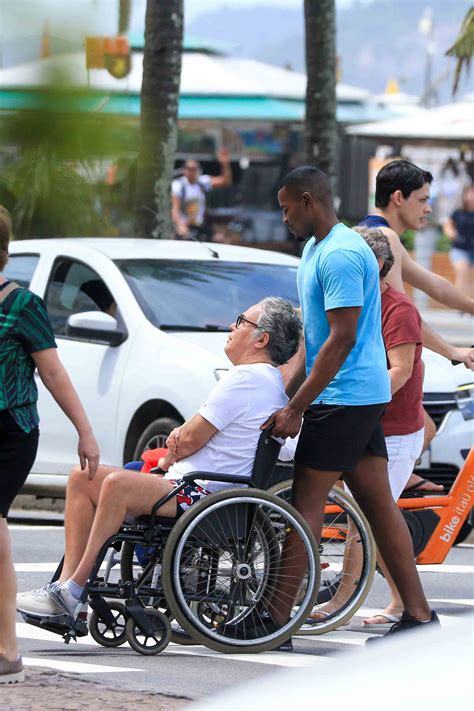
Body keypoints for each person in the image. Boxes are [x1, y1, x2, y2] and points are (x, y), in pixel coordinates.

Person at [16, 297, 301, 623]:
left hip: (204, 492)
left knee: (117, 483)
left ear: (261, 339)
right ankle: (67, 590)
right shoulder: (268, 383)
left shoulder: (245, 379)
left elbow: (191, 438)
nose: (231, 327)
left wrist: (178, 442)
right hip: (203, 485)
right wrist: (179, 442)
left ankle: (75, 588)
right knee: (83, 477)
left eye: (240, 322)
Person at [258, 166, 438, 644]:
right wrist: (284, 392)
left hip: (343, 398)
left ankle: (274, 621)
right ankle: (419, 616)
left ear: (307, 200)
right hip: (356, 395)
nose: (284, 218)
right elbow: (316, 342)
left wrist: (298, 405)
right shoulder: (316, 249)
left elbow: (341, 339)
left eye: (286, 208)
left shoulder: (339, 253)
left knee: (305, 505)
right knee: (379, 505)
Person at [0, 206, 99, 684]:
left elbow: (53, 372)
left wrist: (85, 431)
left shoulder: (22, 305)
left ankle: (8, 649)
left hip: (9, 433)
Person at [308, 226, 426, 625]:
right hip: (367, 412)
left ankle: (339, 604)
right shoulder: (356, 298)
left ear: (373, 265)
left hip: (378, 417)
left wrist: (361, 406)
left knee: (350, 514)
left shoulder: (397, 309)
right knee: (371, 512)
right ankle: (413, 611)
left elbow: (402, 370)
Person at [360, 160, 474, 493]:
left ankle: (394, 481)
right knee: (419, 432)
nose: (428, 209)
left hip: (379, 369)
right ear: (398, 197)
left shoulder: (377, 233)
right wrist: (452, 350)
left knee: (424, 430)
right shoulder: (384, 237)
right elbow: (401, 314)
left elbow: (435, 285)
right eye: (422, 200)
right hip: (390, 371)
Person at [171, 148, 232, 239]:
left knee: (220, 239)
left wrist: (225, 163)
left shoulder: (202, 182)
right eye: (189, 169)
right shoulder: (179, 185)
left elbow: (225, 181)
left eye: (194, 169)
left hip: (200, 224)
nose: (192, 172)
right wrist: (180, 225)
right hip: (185, 226)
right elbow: (175, 208)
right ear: (184, 170)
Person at [443, 183, 474, 301]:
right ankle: (460, 303)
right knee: (463, 272)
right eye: (470, 193)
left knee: (471, 277)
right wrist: (451, 233)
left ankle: (470, 305)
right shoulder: (458, 212)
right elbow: (448, 224)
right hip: (459, 249)